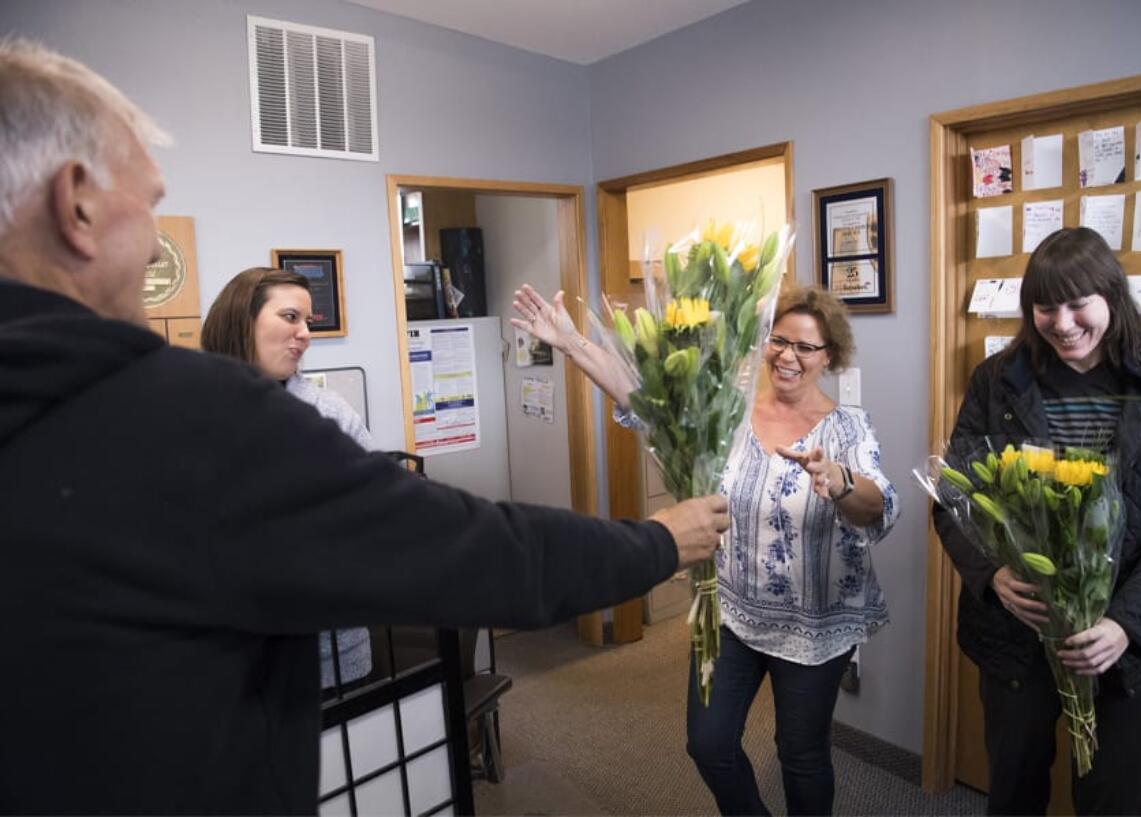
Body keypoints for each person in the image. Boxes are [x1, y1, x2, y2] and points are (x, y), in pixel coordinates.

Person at [0, 40, 731, 814]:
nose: (154, 240)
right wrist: (657, 539)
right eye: (148, 202)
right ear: (76, 201)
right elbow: (473, 550)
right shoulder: (197, 418)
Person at [512, 282, 899, 815]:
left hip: (814, 626)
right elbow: (642, 400)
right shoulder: (728, 409)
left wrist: (840, 480)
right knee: (709, 745)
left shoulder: (848, 427)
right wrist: (572, 342)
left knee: (801, 755)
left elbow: (879, 505)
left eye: (805, 347)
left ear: (830, 355)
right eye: (778, 341)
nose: (788, 356)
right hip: (730, 614)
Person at [933, 227, 1141, 815]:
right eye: (1044, 306)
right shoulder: (998, 380)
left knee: (1114, 798)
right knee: (1013, 787)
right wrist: (992, 575)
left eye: (1077, 303)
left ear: (1112, 296)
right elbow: (955, 496)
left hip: (1121, 642)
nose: (1060, 322)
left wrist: (1126, 625)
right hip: (1018, 631)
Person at [201, 266, 375, 690]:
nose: (305, 334)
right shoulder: (191, 412)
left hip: (333, 657)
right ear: (243, 320)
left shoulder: (329, 412)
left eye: (308, 322)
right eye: (290, 317)